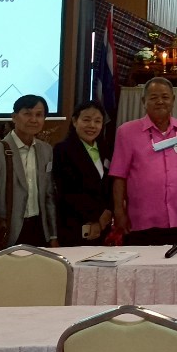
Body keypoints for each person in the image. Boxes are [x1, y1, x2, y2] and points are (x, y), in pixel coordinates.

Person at [0, 94, 59, 257]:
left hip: (39, 229)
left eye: (39, 115)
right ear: (14, 117)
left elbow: (48, 196)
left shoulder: (46, 150)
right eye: (27, 114)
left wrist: (53, 235)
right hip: (7, 232)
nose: (33, 119)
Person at [110, 77, 177, 246]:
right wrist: (119, 211)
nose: (160, 101)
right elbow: (119, 175)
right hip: (140, 220)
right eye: (154, 97)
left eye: (165, 97)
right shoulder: (126, 132)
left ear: (173, 100)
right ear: (143, 101)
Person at [52, 99, 114, 247]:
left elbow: (111, 184)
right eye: (86, 120)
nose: (92, 125)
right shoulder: (62, 150)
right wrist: (96, 217)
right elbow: (67, 190)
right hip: (75, 225)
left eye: (97, 121)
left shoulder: (106, 149)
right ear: (75, 121)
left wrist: (108, 211)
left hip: (104, 225)